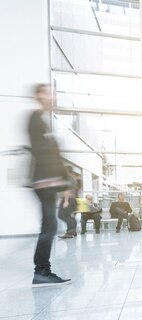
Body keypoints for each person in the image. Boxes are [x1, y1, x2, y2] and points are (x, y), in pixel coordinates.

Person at [28, 84, 72, 287]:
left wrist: (62, 179)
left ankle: (42, 271)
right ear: (38, 96)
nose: (51, 97)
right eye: (47, 93)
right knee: (49, 227)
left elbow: (52, 153)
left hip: (47, 182)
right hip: (44, 183)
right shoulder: (35, 119)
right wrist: (57, 178)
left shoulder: (42, 121)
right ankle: (42, 272)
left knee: (49, 226)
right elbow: (42, 151)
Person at [58, 166, 81, 239]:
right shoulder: (73, 179)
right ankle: (73, 232)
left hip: (68, 199)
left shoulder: (68, 178)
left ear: (67, 171)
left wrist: (66, 201)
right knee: (71, 216)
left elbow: (67, 190)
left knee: (62, 215)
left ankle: (70, 232)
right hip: (73, 199)